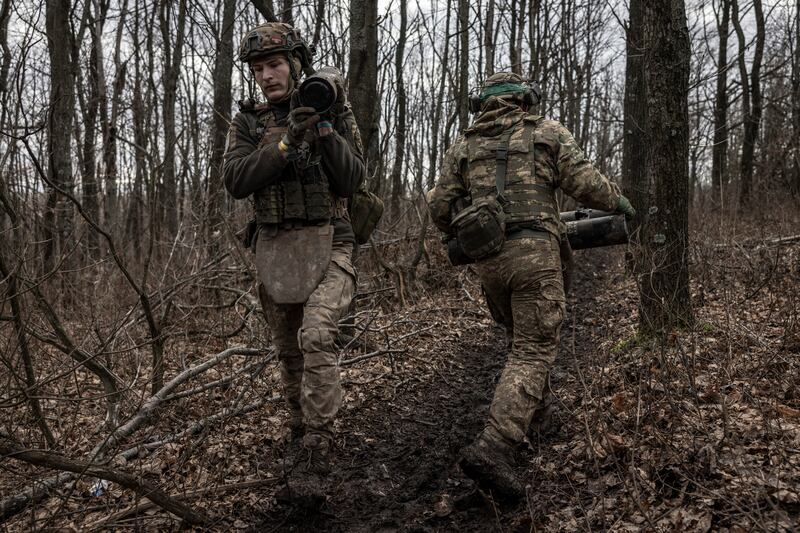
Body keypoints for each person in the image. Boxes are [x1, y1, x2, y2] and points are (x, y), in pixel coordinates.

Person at [426, 72, 635, 499]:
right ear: (524, 100)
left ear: (482, 104)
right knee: (534, 349)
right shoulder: (546, 132)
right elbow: (585, 184)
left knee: (519, 340)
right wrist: (619, 202)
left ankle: (539, 418)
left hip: (490, 264)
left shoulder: (464, 146)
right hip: (536, 257)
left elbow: (439, 206)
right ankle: (496, 444)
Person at [222, 22, 365, 505]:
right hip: (276, 248)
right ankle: (301, 433)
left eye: (275, 65)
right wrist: (284, 145)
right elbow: (236, 179)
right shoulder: (248, 122)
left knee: (318, 333)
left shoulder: (332, 107)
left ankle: (318, 449)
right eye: (259, 68)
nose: (266, 76)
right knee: (290, 354)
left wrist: (323, 130)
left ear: (296, 63)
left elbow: (352, 180)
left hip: (331, 239)